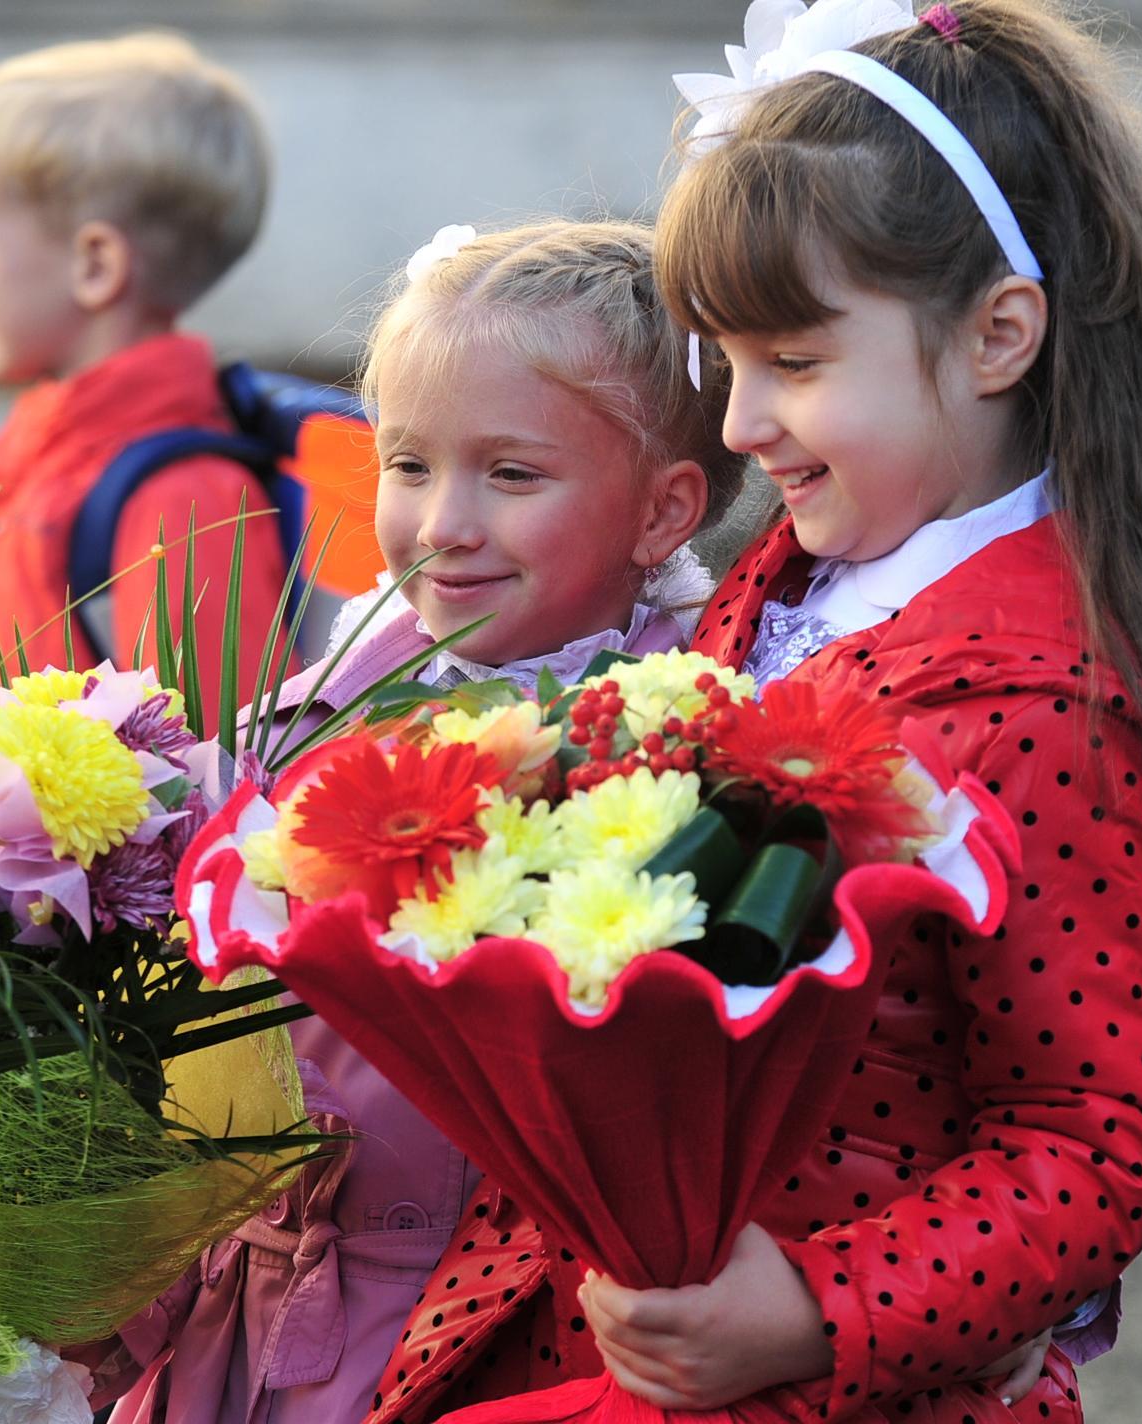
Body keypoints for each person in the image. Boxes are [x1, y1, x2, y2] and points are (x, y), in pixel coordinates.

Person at [369, 3, 1142, 1420]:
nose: (744, 424)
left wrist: (823, 1309)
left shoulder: (1050, 703)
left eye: (796, 365)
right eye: (729, 364)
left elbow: (1093, 1137)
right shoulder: (817, 572)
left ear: (1001, 335)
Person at [64, 218, 745, 1424]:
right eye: (409, 464)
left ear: (661, 511)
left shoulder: (662, 746)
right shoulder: (347, 677)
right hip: (246, 1295)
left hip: (453, 1329)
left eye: (512, 474)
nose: (441, 524)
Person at [0, 33, 289, 714]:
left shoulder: (184, 502)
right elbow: (9, 730)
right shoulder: (62, 464)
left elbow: (213, 787)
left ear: (95, 265)